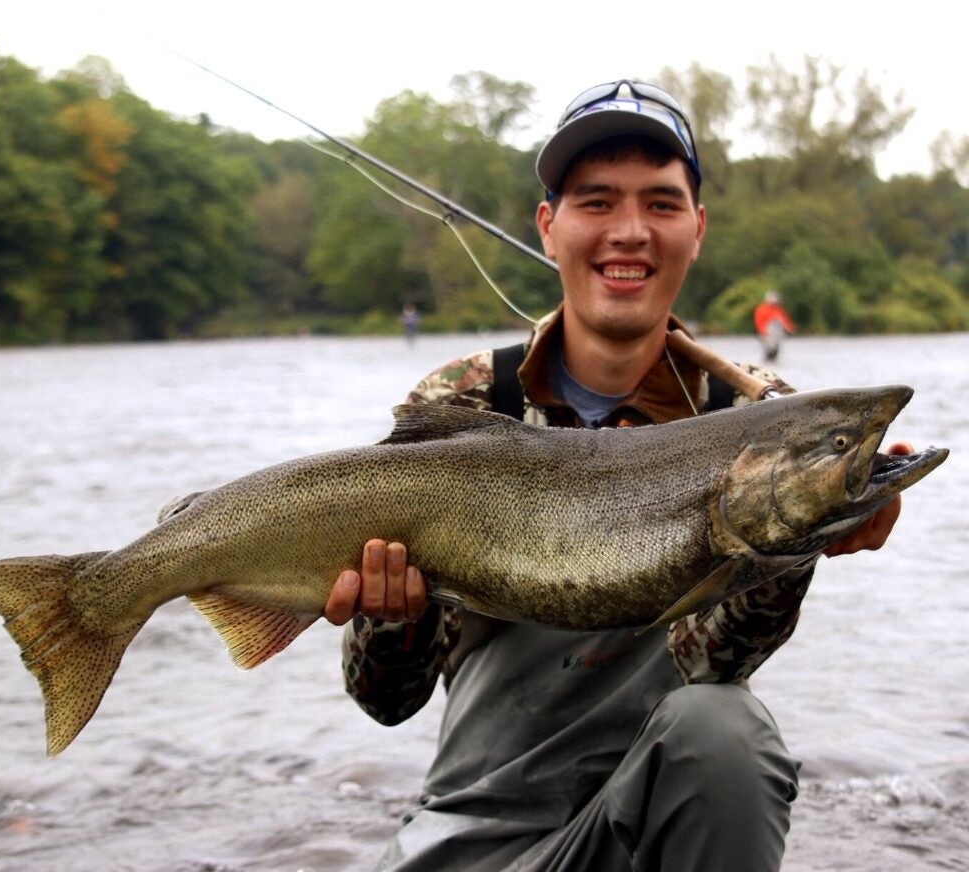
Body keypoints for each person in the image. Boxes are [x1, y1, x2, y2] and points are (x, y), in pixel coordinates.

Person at [323, 80, 906, 871]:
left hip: (655, 831)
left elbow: (711, 672)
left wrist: (794, 543)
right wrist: (393, 613)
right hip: (478, 838)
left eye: (661, 205)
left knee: (726, 731)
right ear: (549, 225)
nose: (630, 231)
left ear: (697, 229)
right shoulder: (465, 403)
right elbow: (386, 701)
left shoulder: (760, 423)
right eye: (597, 202)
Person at [753, 290, 795, 362]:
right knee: (769, 353)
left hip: (776, 336)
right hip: (766, 335)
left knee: (775, 353)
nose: (776, 302)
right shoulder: (762, 309)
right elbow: (759, 322)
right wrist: (763, 333)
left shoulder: (778, 310)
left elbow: (785, 321)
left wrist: (790, 329)